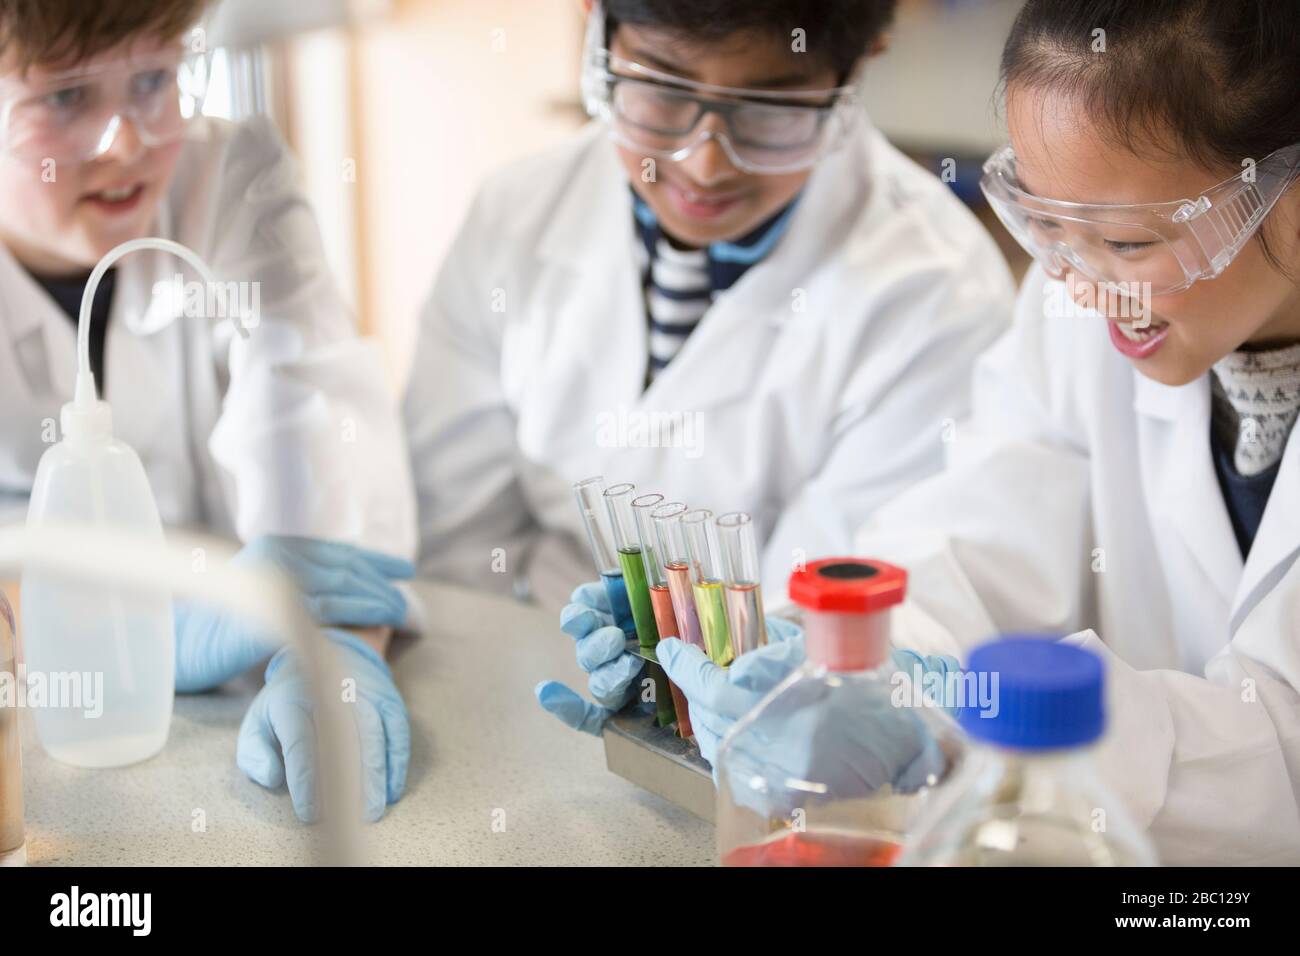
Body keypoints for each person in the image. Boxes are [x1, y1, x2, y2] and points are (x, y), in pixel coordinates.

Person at [658, 0, 1300, 864]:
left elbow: (1281, 756)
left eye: (1127, 239)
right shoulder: (1078, 308)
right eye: (1046, 224)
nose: (1076, 283)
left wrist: (966, 711)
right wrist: (861, 667)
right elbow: (982, 534)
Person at [399, 0, 1013, 729]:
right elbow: (458, 544)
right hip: (520, 689)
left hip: (777, 744)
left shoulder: (936, 291)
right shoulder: (517, 210)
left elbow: (837, 619)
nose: (704, 161)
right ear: (597, 27)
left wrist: (730, 711)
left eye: (770, 109)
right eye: (661, 89)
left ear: (857, 68)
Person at [0, 0, 416, 821]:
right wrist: (53, 610)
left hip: (231, 704)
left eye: (154, 79)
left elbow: (321, 433)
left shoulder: (233, 177)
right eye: (65, 98)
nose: (126, 143)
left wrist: (328, 648)